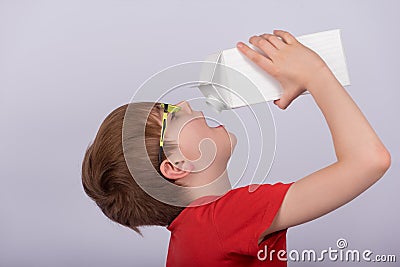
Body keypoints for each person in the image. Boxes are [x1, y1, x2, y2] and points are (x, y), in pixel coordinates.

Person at [81, 30, 391, 266]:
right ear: (175, 165)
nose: (187, 103)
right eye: (172, 115)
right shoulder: (225, 219)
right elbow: (369, 160)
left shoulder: (190, 238)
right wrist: (315, 74)